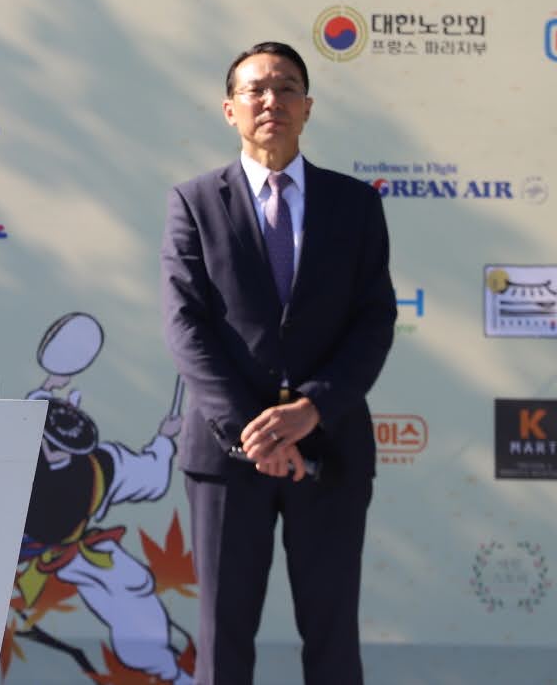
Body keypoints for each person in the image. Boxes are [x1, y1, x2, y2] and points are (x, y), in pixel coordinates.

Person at [160, 41, 395, 685]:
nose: (272, 101)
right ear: (229, 109)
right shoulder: (194, 202)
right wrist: (253, 429)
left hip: (332, 449)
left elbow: (374, 320)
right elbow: (186, 325)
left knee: (332, 640)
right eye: (256, 90)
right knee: (222, 642)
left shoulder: (355, 204)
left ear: (308, 107)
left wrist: (311, 409)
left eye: (287, 88)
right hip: (226, 457)